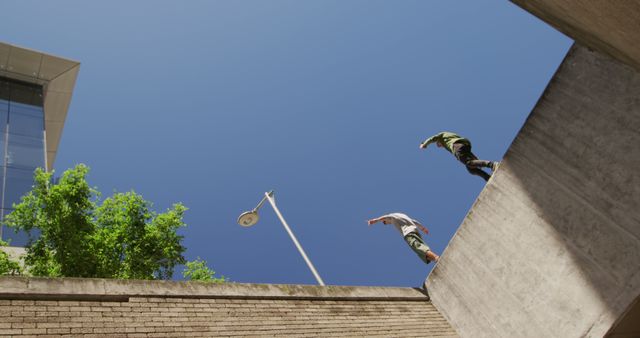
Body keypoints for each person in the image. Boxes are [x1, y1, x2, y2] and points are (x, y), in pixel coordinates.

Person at [419, 131, 499, 182]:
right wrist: (476, 159)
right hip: (464, 145)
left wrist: (424, 144)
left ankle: (492, 164)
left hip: (457, 146)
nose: (440, 146)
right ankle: (488, 178)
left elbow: (433, 138)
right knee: (471, 169)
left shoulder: (442, 136)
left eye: (439, 145)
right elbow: (469, 153)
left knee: (468, 163)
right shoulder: (450, 137)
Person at [367, 213, 439, 265]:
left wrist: (375, 220)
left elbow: (386, 216)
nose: (388, 224)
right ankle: (434, 259)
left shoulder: (393, 217)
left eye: (386, 223)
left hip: (408, 233)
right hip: (415, 231)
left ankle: (436, 258)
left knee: (418, 247)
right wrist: (423, 228)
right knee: (420, 250)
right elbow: (415, 222)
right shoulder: (404, 216)